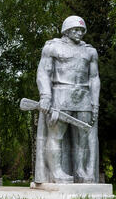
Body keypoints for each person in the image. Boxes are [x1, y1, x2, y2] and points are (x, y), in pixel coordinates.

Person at [35, 16, 100, 183]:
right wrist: (45, 95)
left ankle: (80, 170)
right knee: (57, 135)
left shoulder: (90, 51)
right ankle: (56, 171)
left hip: (83, 96)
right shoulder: (53, 48)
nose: (79, 33)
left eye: (81, 30)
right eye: (76, 30)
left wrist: (95, 102)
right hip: (60, 94)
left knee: (83, 136)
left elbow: (94, 77)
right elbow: (43, 72)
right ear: (67, 30)